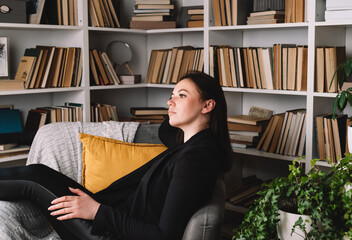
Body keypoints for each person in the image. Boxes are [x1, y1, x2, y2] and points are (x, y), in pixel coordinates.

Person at [0, 71, 233, 240]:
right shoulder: (191, 143)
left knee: (32, 180)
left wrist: (96, 211)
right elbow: (165, 130)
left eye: (181, 95)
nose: (169, 102)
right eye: (171, 95)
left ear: (208, 105)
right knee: (37, 173)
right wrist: (181, 111)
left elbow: (164, 236)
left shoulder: (194, 159)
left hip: (112, 233)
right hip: (112, 217)